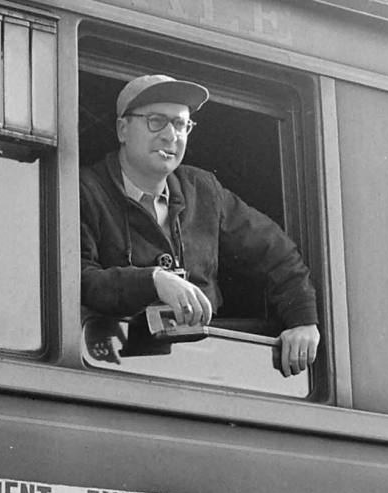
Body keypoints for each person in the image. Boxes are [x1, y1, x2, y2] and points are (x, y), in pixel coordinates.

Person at [80, 74, 320, 377]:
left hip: (199, 368)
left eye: (181, 124)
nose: (171, 135)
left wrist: (303, 320)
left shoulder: (204, 190)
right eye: (156, 121)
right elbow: (80, 280)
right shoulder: (85, 189)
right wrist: (153, 281)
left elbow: (277, 254)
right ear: (122, 129)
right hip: (115, 367)